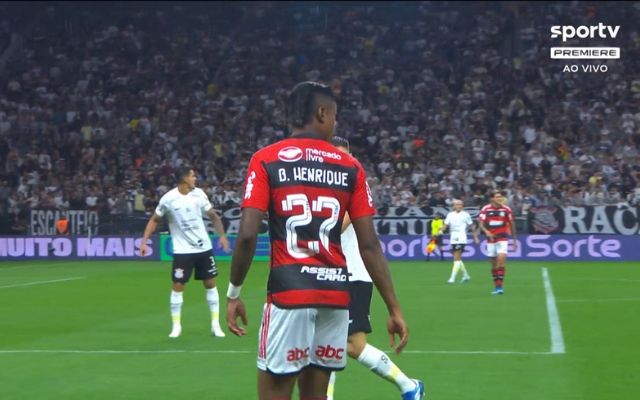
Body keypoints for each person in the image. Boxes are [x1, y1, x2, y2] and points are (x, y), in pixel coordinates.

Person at [226, 81, 410, 400]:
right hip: (335, 298)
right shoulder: (350, 167)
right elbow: (369, 245)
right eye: (335, 115)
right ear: (322, 112)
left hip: (289, 293)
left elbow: (246, 235)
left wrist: (234, 294)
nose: (335, 122)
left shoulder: (266, 159)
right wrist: (394, 308)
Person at [327, 136, 424, 400]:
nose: (339, 161)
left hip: (351, 275)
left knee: (344, 344)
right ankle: (409, 386)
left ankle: (408, 385)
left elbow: (337, 227)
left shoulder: (351, 186)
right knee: (336, 345)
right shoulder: (321, 186)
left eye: (344, 156)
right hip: (327, 273)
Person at [140, 166, 230, 338]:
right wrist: (145, 241)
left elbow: (213, 216)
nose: (195, 178)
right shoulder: (169, 199)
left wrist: (222, 236)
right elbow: (154, 219)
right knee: (178, 286)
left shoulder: (199, 194)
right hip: (182, 251)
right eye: (192, 176)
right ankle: (176, 326)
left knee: (210, 284)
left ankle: (215, 325)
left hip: (204, 248)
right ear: (183, 179)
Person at [477, 191, 517, 295]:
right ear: (492, 199)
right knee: (494, 265)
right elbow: (481, 223)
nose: (499, 198)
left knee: (501, 261)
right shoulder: (486, 209)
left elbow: (512, 224)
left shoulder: (506, 209)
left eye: (501, 197)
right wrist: (486, 231)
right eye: (497, 197)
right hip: (490, 240)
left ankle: (500, 287)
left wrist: (514, 240)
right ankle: (496, 286)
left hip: (502, 238)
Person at [439, 199, 477, 284]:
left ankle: (452, 278)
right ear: (454, 206)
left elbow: (472, 225)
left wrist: (475, 236)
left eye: (460, 204)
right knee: (458, 259)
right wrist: (440, 231)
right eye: (457, 204)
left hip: (461, 237)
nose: (459, 206)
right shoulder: (450, 215)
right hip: (453, 237)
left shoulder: (466, 215)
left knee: (456, 258)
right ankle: (466, 275)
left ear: (462, 206)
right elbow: (445, 225)